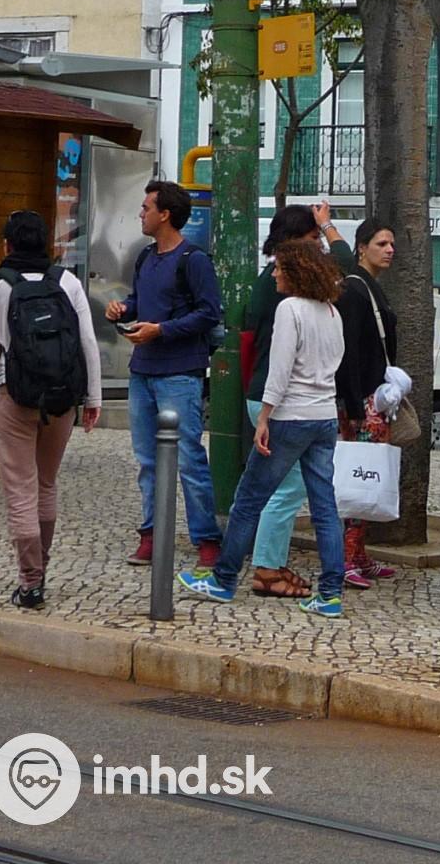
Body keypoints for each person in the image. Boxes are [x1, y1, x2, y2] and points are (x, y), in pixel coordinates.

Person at [179, 241, 347, 618]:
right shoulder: (332, 312)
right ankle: (330, 593)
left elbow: (280, 368)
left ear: (296, 272)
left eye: (279, 268)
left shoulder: (290, 309)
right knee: (324, 507)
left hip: (290, 415)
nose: (274, 275)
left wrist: (265, 417)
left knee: (249, 498)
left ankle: (223, 579)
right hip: (323, 415)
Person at [0, 210, 103, 609]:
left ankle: (30, 583)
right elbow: (87, 342)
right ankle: (40, 571)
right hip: (61, 399)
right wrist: (93, 398)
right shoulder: (66, 281)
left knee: (20, 491)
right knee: (46, 484)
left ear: (7, 245)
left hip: (14, 396)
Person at [106, 180, 224, 568]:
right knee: (147, 460)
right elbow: (140, 300)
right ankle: (151, 534)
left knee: (189, 458)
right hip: (142, 370)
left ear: (165, 214)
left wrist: (162, 330)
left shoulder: (194, 260)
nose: (141, 214)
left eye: (146, 208)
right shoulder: (145, 257)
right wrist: (124, 309)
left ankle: (207, 539)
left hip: (180, 372)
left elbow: (209, 312)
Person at [237, 202, 351, 597]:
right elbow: (345, 263)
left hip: (277, 397)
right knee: (286, 490)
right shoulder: (284, 290)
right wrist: (329, 224)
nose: (319, 245)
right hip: (281, 400)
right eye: (313, 238)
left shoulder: (277, 285)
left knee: (284, 488)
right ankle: (266, 569)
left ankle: (269, 562)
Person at [334, 218, 402, 589]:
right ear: (362, 247)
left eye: (391, 243)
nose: (390, 250)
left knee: (368, 474)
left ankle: (358, 554)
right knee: (358, 477)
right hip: (361, 402)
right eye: (381, 244)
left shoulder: (370, 287)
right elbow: (349, 354)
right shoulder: (355, 290)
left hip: (374, 397)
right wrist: (356, 408)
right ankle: (346, 558)